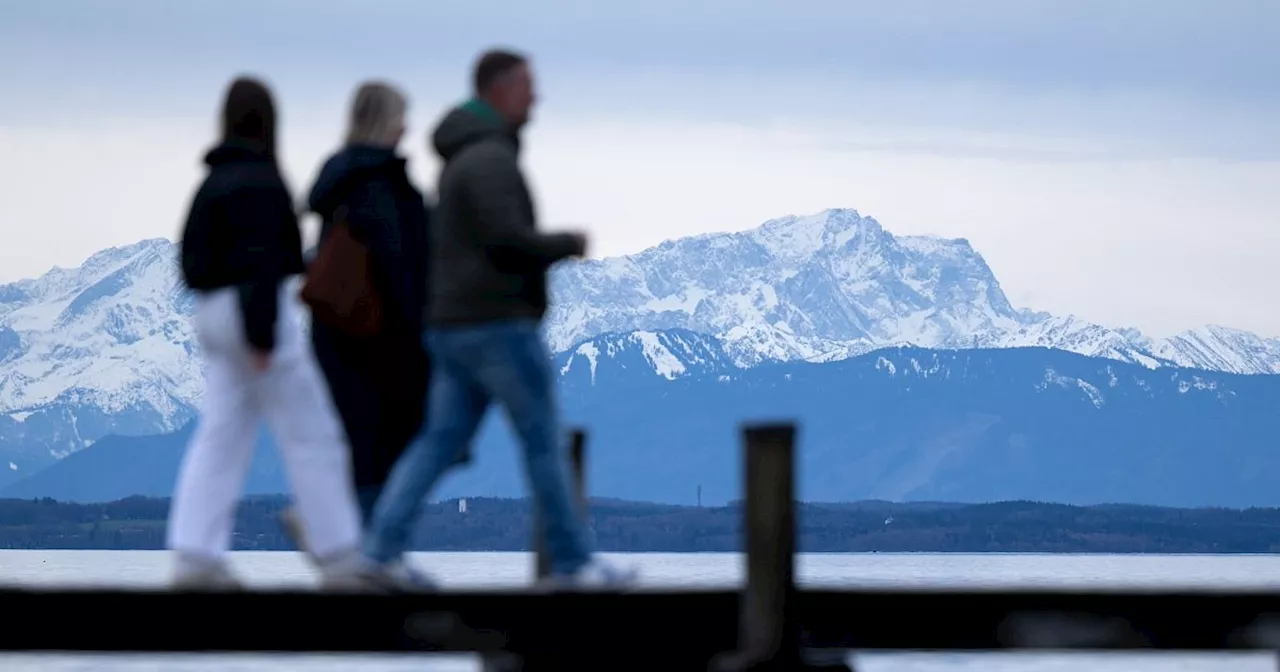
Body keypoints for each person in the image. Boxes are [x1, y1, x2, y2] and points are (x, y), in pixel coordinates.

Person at [358, 49, 637, 590]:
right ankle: (575, 563)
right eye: (528, 86)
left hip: (451, 326)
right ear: (500, 89)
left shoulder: (464, 158)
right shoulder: (489, 160)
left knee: (438, 440)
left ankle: (379, 551)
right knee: (542, 441)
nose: (536, 98)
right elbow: (505, 241)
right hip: (497, 324)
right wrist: (566, 243)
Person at [168, 76, 366, 590]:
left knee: (221, 435)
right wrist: (260, 334)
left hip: (212, 312)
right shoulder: (264, 181)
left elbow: (191, 264)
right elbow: (260, 261)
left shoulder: (210, 184)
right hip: (255, 312)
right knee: (311, 433)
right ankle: (339, 554)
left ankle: (194, 556)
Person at [283, 81, 432, 542]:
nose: (406, 127)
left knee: (355, 450)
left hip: (332, 336)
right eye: (400, 117)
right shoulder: (380, 185)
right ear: (385, 121)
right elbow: (400, 267)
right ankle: (375, 560)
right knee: (385, 453)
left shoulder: (336, 185)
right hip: (383, 340)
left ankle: (354, 549)